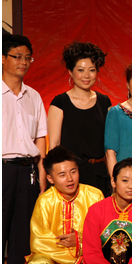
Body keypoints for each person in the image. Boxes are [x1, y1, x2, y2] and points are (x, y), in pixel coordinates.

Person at [24, 146, 104, 264]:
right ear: (50, 178)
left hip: (85, 263)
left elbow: (105, 233)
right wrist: (71, 253)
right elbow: (39, 241)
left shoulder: (94, 195)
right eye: (62, 175)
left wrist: (81, 242)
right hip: (54, 263)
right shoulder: (44, 201)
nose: (69, 178)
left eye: (73, 171)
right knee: (37, 263)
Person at [2, 32, 47, 264]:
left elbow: (40, 138)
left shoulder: (34, 96)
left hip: (28, 171)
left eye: (27, 57)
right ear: (2, 58)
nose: (23, 62)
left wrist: (41, 175)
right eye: (17, 56)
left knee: (21, 241)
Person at [47, 41, 112, 196]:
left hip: (100, 174)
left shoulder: (105, 102)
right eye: (81, 70)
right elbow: (54, 146)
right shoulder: (60, 103)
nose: (86, 75)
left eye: (92, 70)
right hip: (71, 177)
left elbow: (110, 146)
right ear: (70, 71)